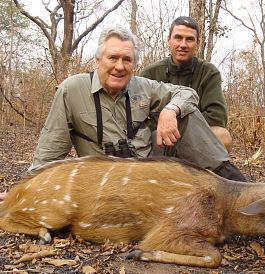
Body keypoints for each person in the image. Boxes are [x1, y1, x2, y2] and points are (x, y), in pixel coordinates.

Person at [1, 25, 246, 204]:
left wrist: (170, 111)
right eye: (113, 58)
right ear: (97, 61)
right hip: (105, 179)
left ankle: (241, 191)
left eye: (127, 60)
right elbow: (50, 150)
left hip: (149, 169)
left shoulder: (144, 85)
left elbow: (188, 93)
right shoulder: (71, 89)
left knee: (186, 113)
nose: (120, 66)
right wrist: (23, 191)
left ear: (134, 64)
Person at [140, 16, 232, 152]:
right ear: (168, 40)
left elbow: (217, 117)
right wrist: (163, 127)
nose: (183, 44)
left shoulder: (209, 72)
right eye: (178, 38)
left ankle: (202, 172)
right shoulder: (149, 73)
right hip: (159, 137)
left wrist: (176, 124)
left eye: (189, 39)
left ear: (198, 43)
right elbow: (139, 117)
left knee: (222, 136)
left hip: (195, 137)